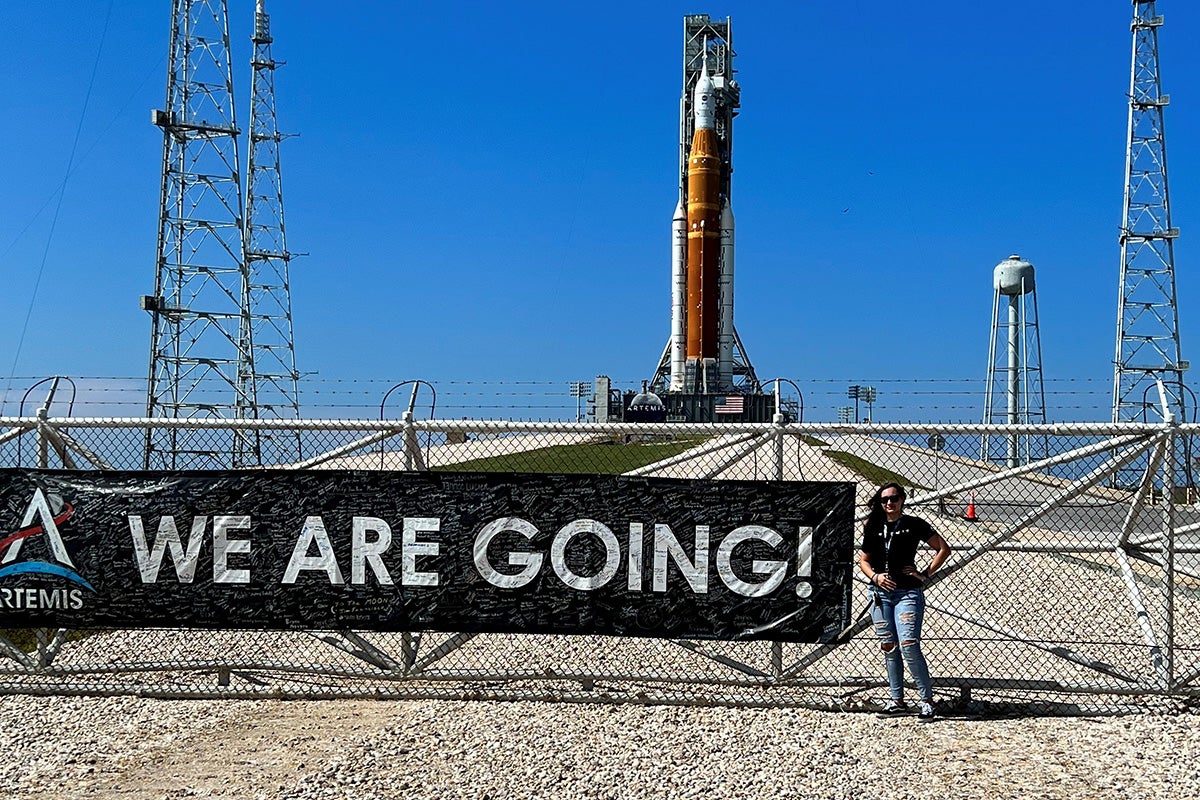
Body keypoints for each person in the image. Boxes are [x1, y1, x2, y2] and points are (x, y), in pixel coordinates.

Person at [859, 482, 952, 722]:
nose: (890, 503)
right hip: (880, 594)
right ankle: (896, 700)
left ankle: (926, 701)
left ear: (902, 500)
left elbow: (943, 548)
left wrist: (925, 573)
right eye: (885, 499)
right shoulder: (873, 527)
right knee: (889, 647)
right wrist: (875, 577)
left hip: (907, 593)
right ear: (880, 503)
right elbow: (864, 561)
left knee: (909, 644)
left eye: (894, 498)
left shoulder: (914, 524)